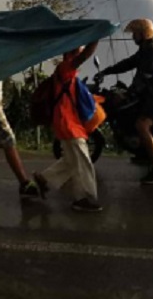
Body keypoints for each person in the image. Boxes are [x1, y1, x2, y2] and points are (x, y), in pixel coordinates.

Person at [94, 18, 153, 185]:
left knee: (142, 125)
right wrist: (107, 71)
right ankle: (143, 154)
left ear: (143, 33)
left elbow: (144, 76)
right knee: (133, 115)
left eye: (135, 33)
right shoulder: (146, 49)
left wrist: (129, 94)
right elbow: (129, 63)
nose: (133, 36)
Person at [33, 41, 102, 212]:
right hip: (68, 123)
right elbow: (85, 55)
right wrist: (97, 37)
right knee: (83, 161)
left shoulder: (65, 71)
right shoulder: (66, 68)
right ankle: (84, 197)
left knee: (71, 161)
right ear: (72, 53)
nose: (80, 51)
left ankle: (44, 179)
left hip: (65, 122)